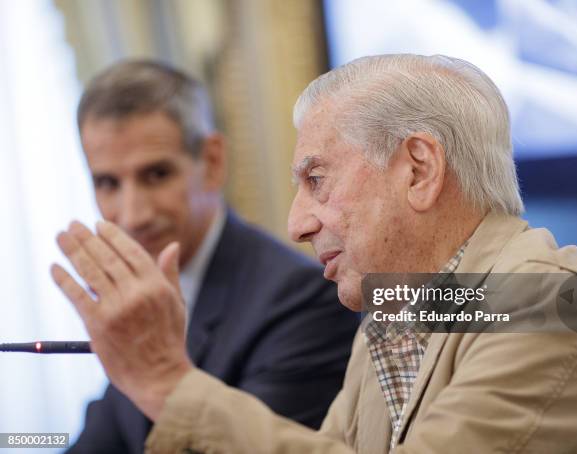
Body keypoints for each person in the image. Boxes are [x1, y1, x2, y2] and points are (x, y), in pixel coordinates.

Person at [52, 54, 577, 453]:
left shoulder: (554, 300)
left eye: (317, 179)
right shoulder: (398, 310)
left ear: (419, 169)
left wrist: (166, 382)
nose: (296, 224)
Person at [65, 60, 359, 453]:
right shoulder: (145, 299)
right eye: (107, 183)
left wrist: (161, 376)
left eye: (156, 175)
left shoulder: (304, 300)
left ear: (213, 161)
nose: (132, 214)